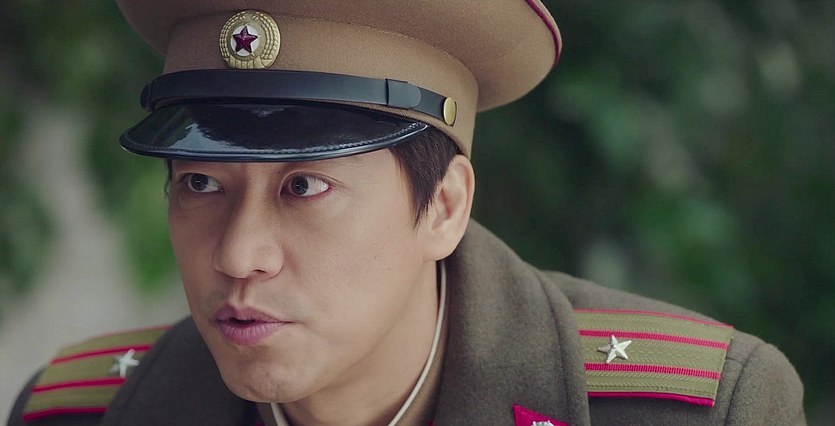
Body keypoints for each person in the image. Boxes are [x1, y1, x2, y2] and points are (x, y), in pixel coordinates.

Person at [8, 0, 805, 425]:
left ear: (444, 207)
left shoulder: (698, 413)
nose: (238, 254)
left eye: (303, 187)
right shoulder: (74, 413)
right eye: (200, 185)